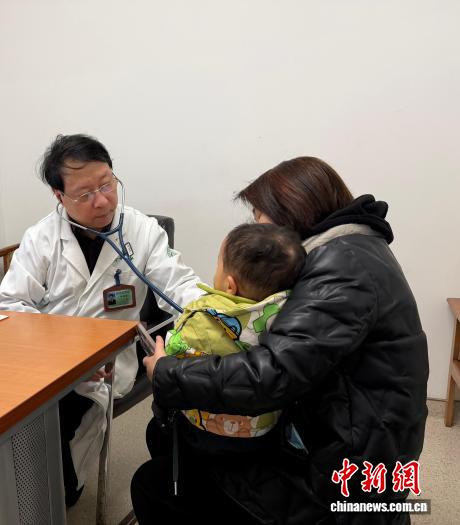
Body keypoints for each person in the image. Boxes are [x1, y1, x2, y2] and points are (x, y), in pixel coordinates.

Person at [132, 156, 428, 524]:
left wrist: (167, 372)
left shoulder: (342, 269)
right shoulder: (348, 249)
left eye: (259, 216)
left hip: (341, 476)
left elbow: (271, 374)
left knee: (152, 483)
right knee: (169, 433)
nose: (257, 228)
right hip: (340, 434)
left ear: (292, 212)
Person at [0, 134, 201, 506]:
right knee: (4, 414)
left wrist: (216, 313)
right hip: (49, 359)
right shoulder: (41, 238)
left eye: (106, 184)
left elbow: (179, 284)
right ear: (59, 196)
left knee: (54, 422)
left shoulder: (141, 230)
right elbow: (11, 305)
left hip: (107, 365)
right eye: (85, 194)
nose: (102, 200)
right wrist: (62, 352)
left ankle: (57, 494)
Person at [164, 222, 305, 452]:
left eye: (219, 264)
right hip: (264, 426)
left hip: (209, 426)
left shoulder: (204, 316)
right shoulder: (290, 312)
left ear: (230, 286)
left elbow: (175, 350)